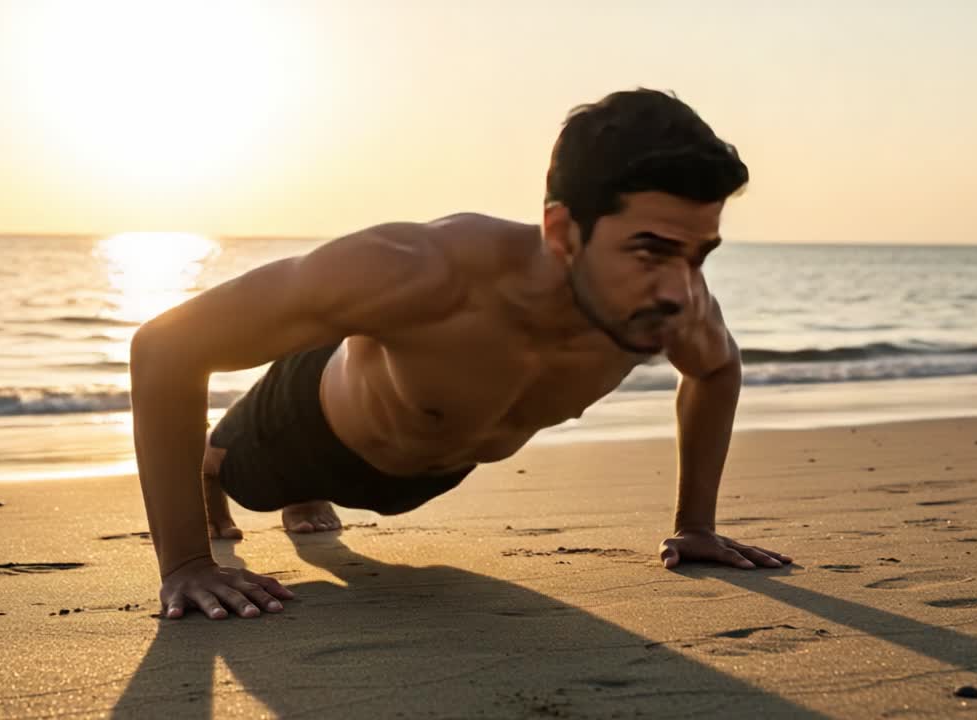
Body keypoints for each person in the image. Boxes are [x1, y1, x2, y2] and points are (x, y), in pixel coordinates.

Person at [129, 87, 793, 621]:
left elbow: (717, 368)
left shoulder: (667, 298)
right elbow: (165, 348)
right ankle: (221, 474)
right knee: (241, 472)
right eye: (650, 249)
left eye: (698, 254)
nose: (681, 289)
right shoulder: (418, 270)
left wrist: (695, 525)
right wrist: (187, 563)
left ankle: (303, 496)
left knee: (349, 488)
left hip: (426, 469)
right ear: (563, 231)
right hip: (307, 428)